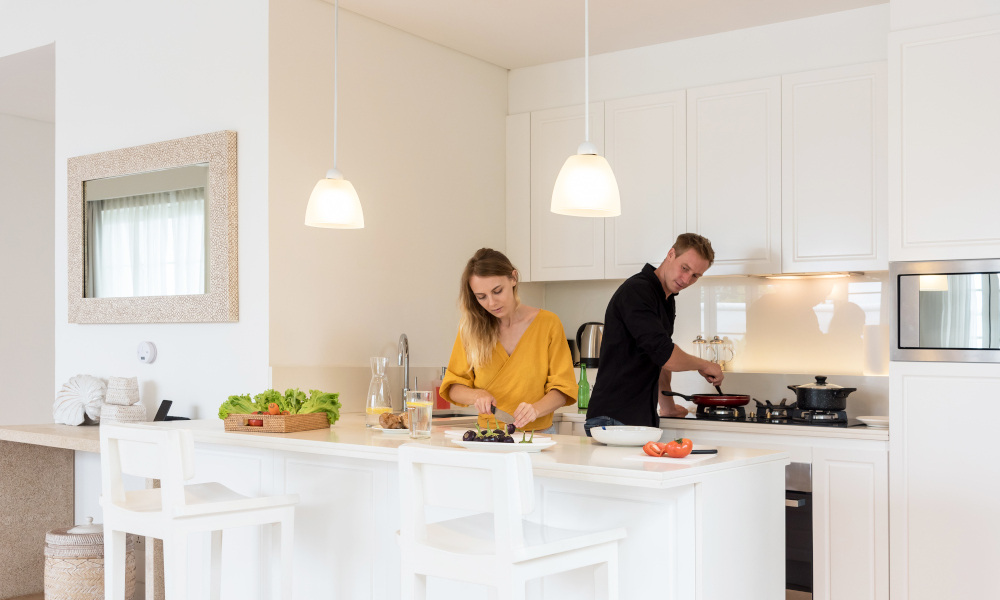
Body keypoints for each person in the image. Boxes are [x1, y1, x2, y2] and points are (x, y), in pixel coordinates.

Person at [585, 233, 724, 435]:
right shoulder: (638, 291)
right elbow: (666, 356)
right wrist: (704, 364)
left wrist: (667, 406)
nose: (686, 279)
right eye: (685, 268)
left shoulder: (666, 299)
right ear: (670, 254)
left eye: (695, 276)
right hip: (613, 419)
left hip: (635, 419)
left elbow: (657, 358)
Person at [439, 248, 577, 433]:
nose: (492, 303)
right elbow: (454, 386)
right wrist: (477, 395)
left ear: (513, 278)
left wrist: (536, 409)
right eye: (481, 297)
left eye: (497, 291)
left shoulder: (548, 324)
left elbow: (563, 389)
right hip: (488, 436)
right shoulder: (470, 329)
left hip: (538, 436)